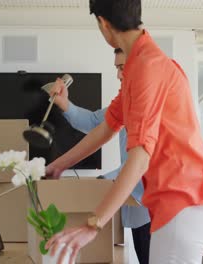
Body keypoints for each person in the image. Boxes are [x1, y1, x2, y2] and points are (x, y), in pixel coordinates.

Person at [45, 0, 203, 263]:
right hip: (182, 202)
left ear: (104, 24)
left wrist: (92, 225)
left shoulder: (147, 68)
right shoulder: (138, 68)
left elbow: (139, 157)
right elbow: (106, 126)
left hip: (183, 201)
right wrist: (59, 165)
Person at [49, 48, 151, 264]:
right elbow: (95, 123)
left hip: (157, 207)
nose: (118, 75)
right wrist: (64, 104)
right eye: (117, 68)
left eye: (122, 68)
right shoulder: (125, 102)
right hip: (137, 208)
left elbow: (143, 161)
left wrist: (106, 180)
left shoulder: (151, 106)